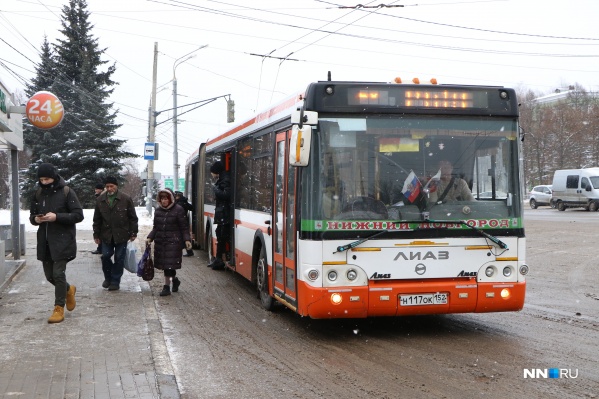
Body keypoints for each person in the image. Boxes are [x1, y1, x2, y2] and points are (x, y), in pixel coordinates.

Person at [29, 163, 84, 323]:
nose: (44, 182)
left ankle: (58, 308)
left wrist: (57, 217)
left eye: (47, 179)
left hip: (63, 240)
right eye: (41, 179)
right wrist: (36, 219)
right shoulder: (38, 193)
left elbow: (78, 215)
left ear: (54, 177)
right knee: (50, 276)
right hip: (44, 241)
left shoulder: (67, 192)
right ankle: (68, 290)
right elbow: (32, 216)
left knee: (58, 274)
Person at [93, 176, 139, 291]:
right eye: (107, 186)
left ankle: (115, 281)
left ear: (116, 186)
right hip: (106, 235)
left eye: (111, 186)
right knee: (106, 256)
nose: (109, 188)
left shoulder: (125, 199)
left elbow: (133, 218)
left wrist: (133, 232)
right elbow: (97, 219)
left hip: (122, 234)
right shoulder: (100, 200)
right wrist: (96, 235)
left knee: (119, 258)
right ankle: (108, 278)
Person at [146, 189, 192, 296]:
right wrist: (150, 238)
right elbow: (156, 227)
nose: (164, 201)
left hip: (174, 242)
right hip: (161, 242)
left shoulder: (178, 210)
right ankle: (175, 280)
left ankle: (166, 287)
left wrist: (187, 240)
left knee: (169, 266)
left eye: (166, 198)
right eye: (162, 199)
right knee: (166, 265)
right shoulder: (158, 211)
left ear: (170, 199)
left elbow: (184, 227)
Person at [207, 161, 231, 270]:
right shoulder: (222, 179)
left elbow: (226, 195)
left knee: (222, 236)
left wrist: (215, 189)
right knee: (220, 235)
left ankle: (220, 260)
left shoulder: (225, 179)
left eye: (212, 172)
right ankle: (218, 259)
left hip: (225, 214)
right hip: (222, 213)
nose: (212, 175)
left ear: (216, 171)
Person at [174, 191, 194, 257]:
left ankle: (188, 251)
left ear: (178, 196)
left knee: (182, 237)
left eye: (176, 196)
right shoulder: (184, 202)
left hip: (180, 222)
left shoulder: (179, 204)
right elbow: (192, 208)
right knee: (185, 237)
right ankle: (189, 251)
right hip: (184, 221)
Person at [91, 183, 105, 255]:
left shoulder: (102, 196)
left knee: (101, 234)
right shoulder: (100, 196)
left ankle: (101, 249)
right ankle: (100, 248)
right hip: (101, 218)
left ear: (101, 190)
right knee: (100, 234)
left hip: (103, 219)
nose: (95, 190)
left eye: (97, 189)